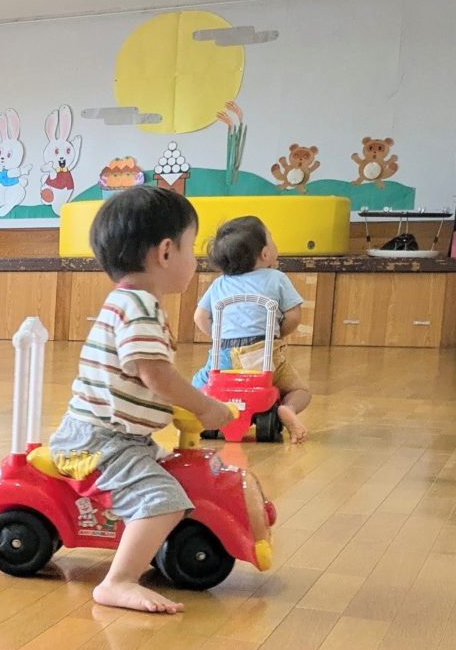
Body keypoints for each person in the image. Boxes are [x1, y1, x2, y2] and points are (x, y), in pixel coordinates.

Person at [47, 185, 233, 615]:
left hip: (116, 436)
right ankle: (119, 580)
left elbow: (148, 377)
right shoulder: (141, 308)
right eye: (193, 248)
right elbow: (155, 373)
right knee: (162, 500)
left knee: (164, 476)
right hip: (103, 441)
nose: (196, 261)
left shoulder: (127, 302)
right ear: (166, 252)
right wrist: (206, 407)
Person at [192, 216, 310, 441]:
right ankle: (288, 409)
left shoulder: (220, 283)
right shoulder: (277, 278)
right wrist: (277, 334)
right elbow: (294, 315)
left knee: (199, 383)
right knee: (300, 390)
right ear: (265, 253)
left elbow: (200, 316)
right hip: (262, 354)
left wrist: (219, 337)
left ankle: (201, 411)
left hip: (224, 355)